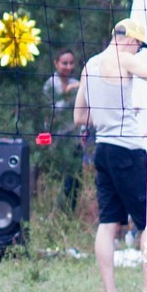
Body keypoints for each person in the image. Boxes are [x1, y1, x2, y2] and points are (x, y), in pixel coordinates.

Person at [77, 17, 147, 292]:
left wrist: (112, 114)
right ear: (132, 41)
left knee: (108, 223)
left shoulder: (90, 65)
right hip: (128, 151)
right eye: (139, 47)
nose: (137, 52)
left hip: (104, 150)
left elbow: (79, 117)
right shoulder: (124, 58)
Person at [42, 48, 87, 218]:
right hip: (56, 140)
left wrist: (83, 133)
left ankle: (68, 215)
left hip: (74, 141)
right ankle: (53, 214)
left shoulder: (77, 84)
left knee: (75, 180)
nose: (68, 66)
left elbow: (82, 110)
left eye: (71, 63)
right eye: (64, 63)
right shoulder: (50, 85)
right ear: (56, 63)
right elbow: (49, 112)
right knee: (58, 179)